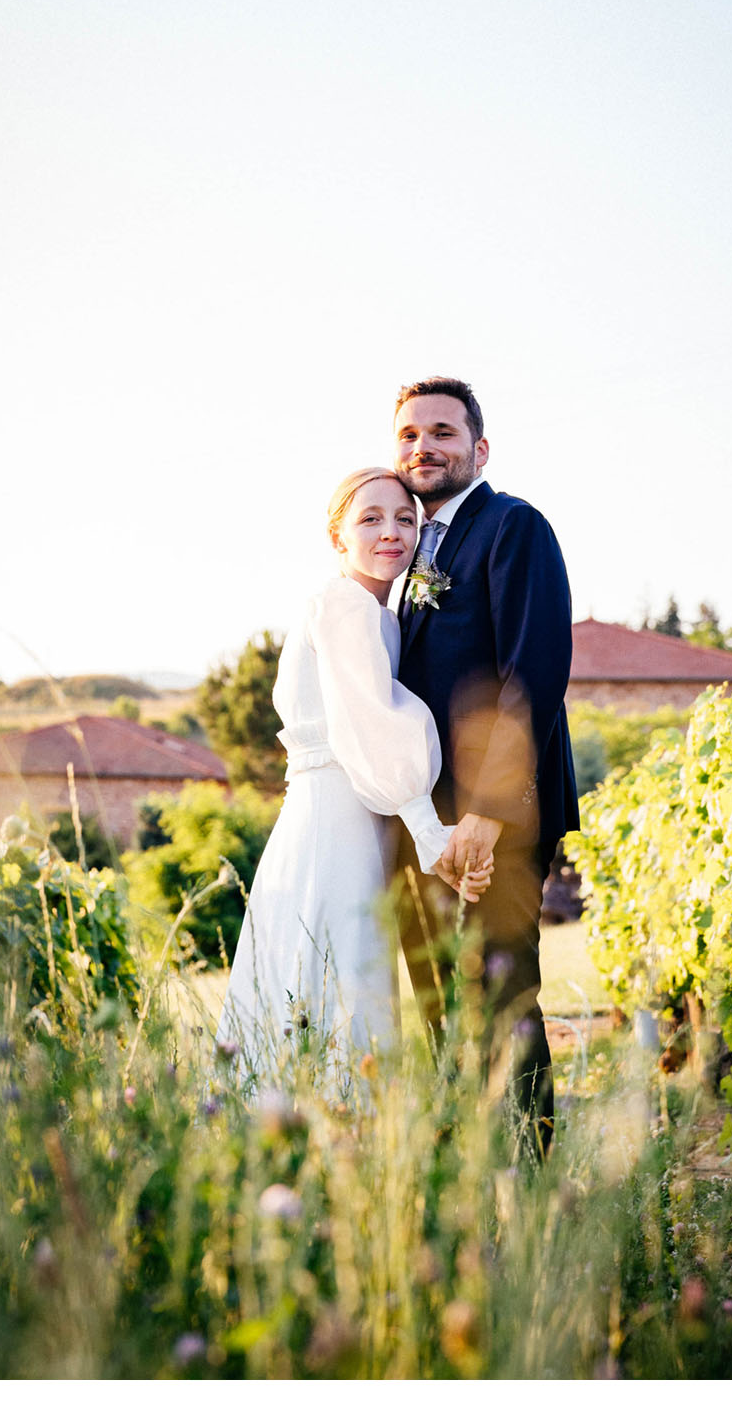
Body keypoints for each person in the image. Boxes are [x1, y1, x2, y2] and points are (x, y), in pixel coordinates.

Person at [217, 468, 490, 1092]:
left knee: (329, 970)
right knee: (337, 968)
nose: (391, 532)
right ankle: (335, 1130)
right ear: (336, 536)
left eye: (404, 519)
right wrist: (428, 829)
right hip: (336, 815)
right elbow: (370, 721)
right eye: (370, 519)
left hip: (349, 812)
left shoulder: (374, 611)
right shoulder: (345, 605)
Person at [389, 377, 580, 1149]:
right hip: (422, 819)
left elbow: (532, 671)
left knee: (500, 991)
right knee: (436, 997)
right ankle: (465, 1166)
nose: (422, 447)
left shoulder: (512, 526)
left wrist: (487, 810)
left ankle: (531, 1176)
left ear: (479, 447)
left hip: (498, 817)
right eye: (407, 435)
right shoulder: (403, 550)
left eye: (440, 431)